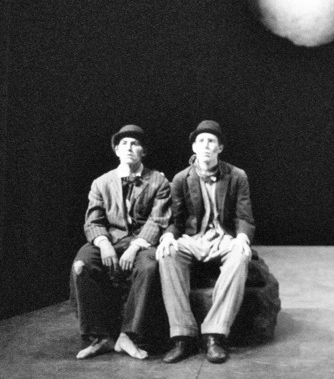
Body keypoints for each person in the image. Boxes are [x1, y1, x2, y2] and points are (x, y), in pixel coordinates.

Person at [156, 120, 255, 364]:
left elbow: (244, 216)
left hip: (224, 238)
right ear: (194, 147)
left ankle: (214, 335)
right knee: (167, 254)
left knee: (241, 256)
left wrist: (242, 237)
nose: (206, 146)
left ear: (220, 148)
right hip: (194, 239)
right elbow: (176, 220)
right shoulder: (181, 179)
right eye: (201, 141)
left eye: (211, 141)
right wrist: (168, 235)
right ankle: (183, 336)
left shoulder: (237, 176)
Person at [72, 124, 171, 360]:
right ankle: (100, 337)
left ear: (143, 152)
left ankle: (128, 336)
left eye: (135, 144)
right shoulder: (101, 182)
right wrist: (104, 244)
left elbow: (157, 220)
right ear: (116, 150)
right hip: (110, 239)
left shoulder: (158, 181)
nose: (128, 147)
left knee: (148, 267)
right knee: (82, 264)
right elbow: (93, 221)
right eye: (123, 143)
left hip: (141, 242)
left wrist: (135, 247)